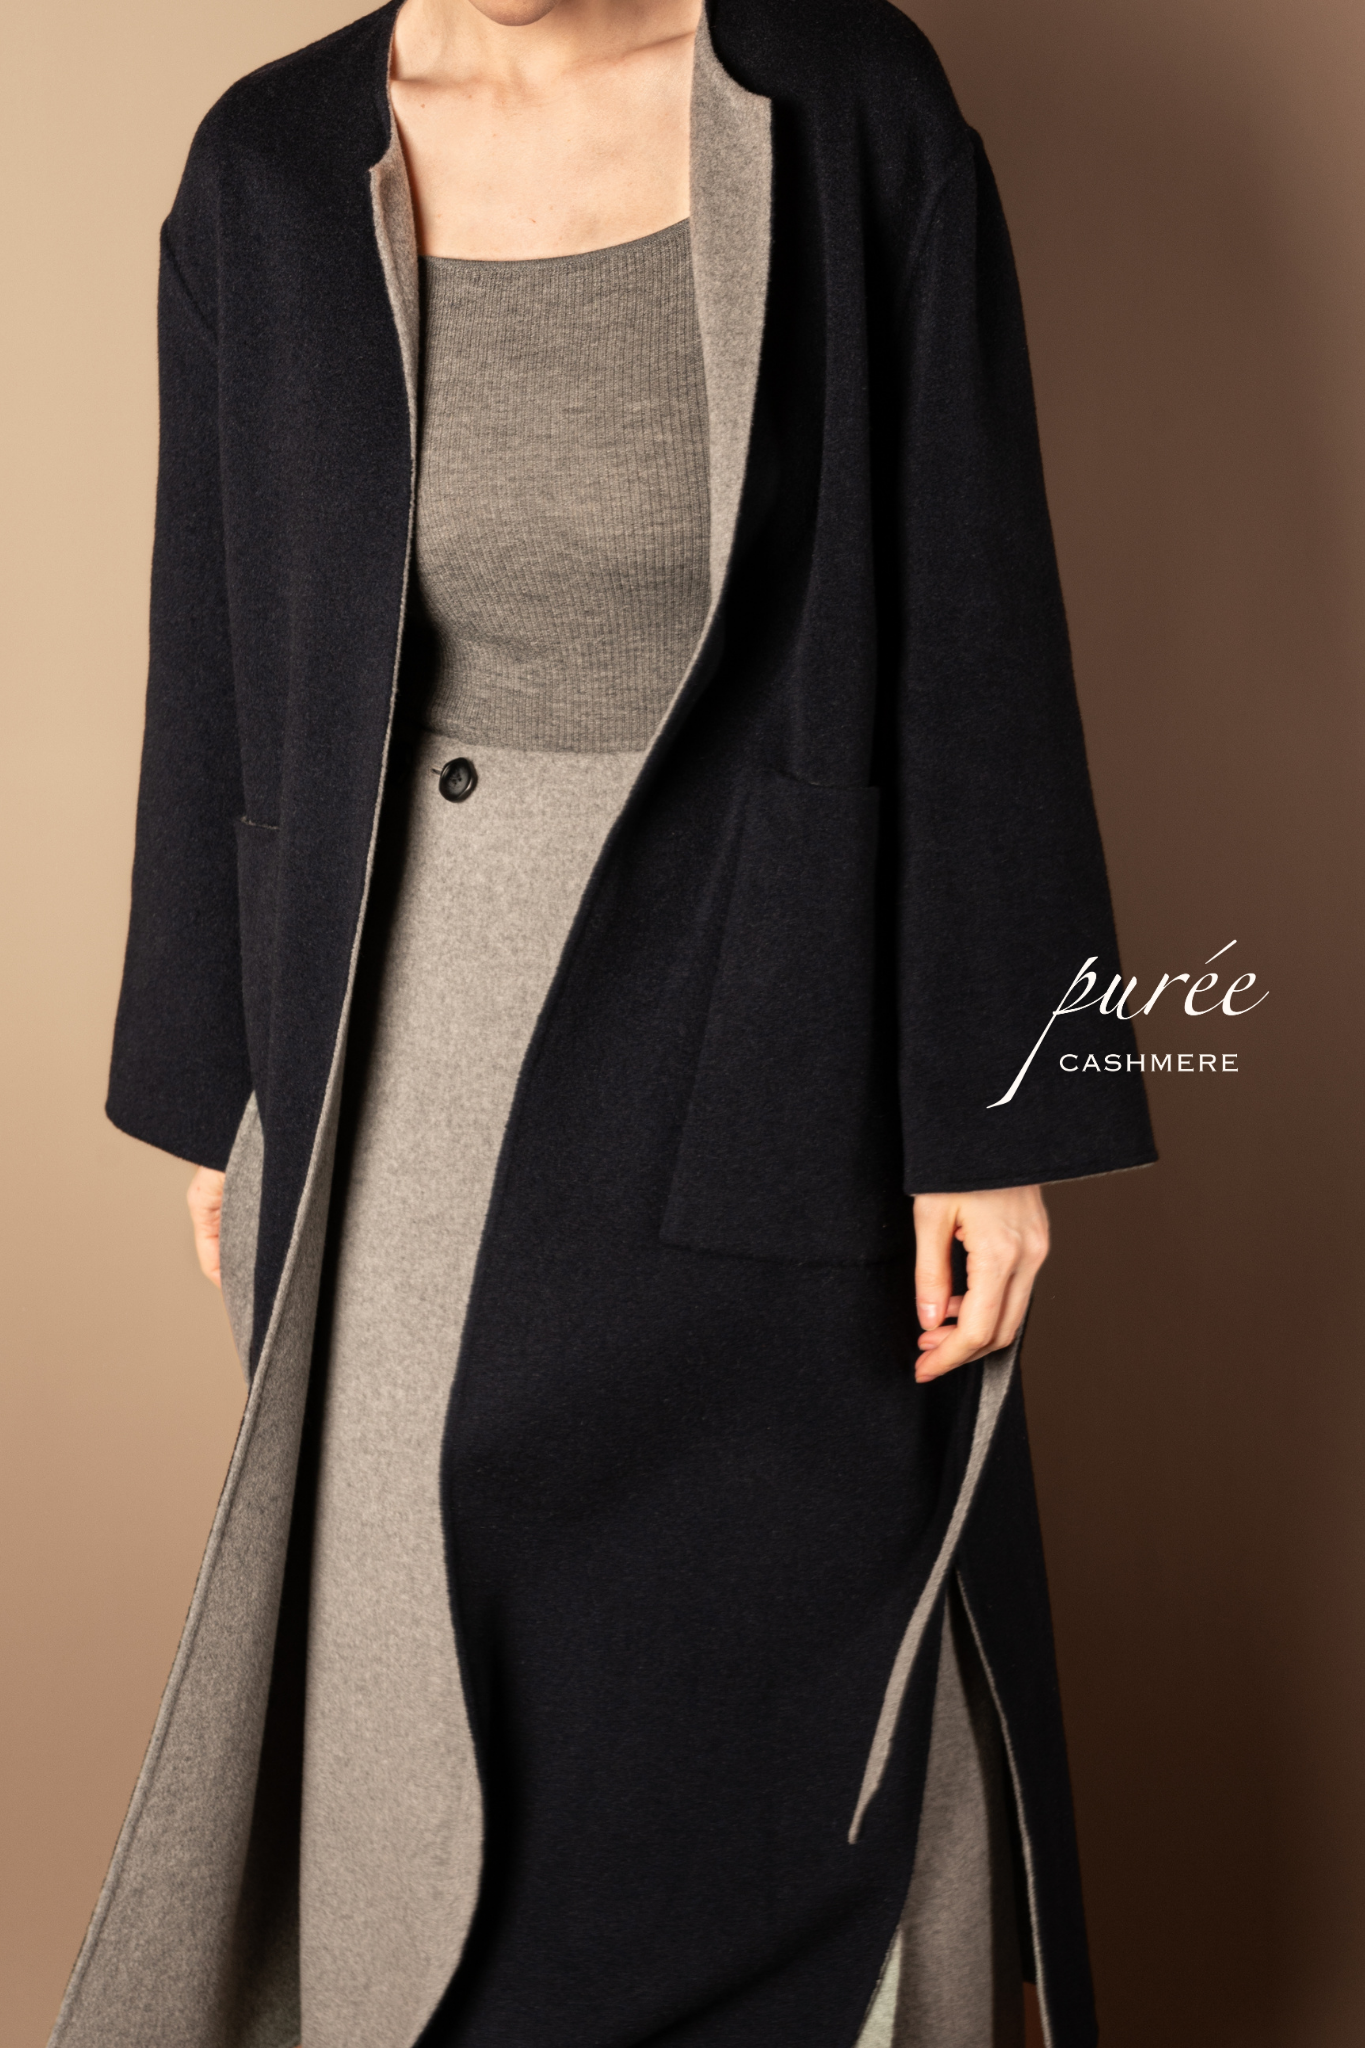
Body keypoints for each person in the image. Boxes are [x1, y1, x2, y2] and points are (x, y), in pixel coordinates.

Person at [52, 1, 1155, 2044]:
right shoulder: (267, 168)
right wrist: (224, 1079)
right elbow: (211, 636)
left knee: (776, 1670)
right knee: (425, 1687)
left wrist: (1000, 1112)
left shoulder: (844, 102)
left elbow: (978, 595)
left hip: (781, 1000)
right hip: (399, 1038)